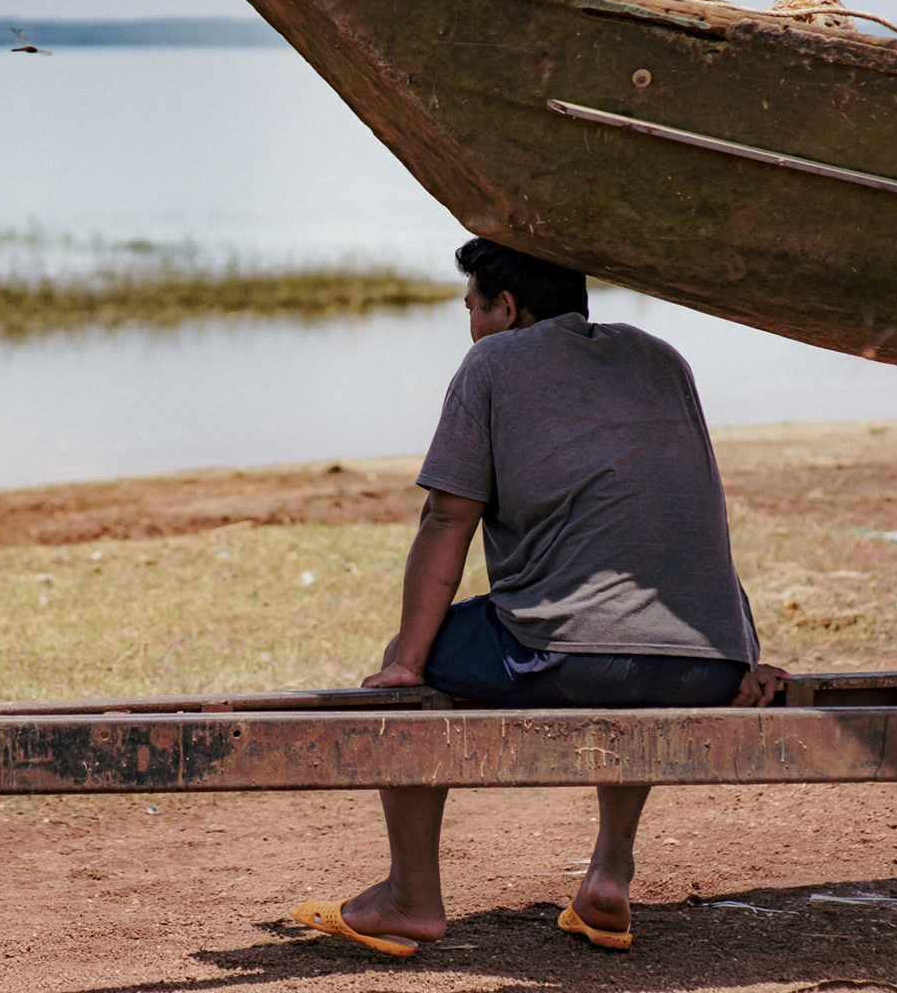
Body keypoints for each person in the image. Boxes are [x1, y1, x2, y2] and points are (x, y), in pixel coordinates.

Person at [291, 238, 786, 958]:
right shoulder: (662, 359)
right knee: (633, 661)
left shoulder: (491, 362)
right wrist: (743, 650)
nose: (469, 324)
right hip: (707, 664)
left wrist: (406, 663)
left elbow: (447, 518)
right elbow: (694, 513)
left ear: (507, 308)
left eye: (471, 307)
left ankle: (410, 899)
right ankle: (609, 880)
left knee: (411, 666)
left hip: (569, 654)